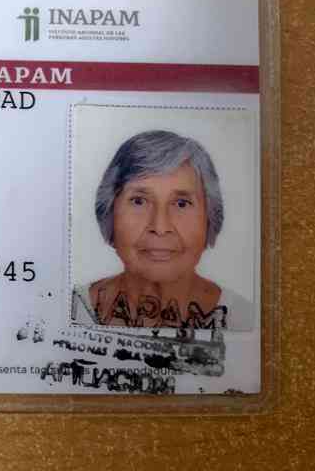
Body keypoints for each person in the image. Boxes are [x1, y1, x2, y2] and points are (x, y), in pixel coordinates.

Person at [75, 130, 249, 330]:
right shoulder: (71, 310)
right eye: (139, 201)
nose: (160, 227)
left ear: (210, 218)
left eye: (181, 204)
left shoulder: (244, 319)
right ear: (109, 213)